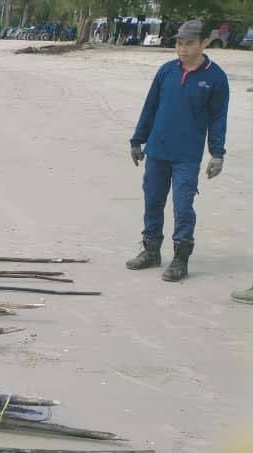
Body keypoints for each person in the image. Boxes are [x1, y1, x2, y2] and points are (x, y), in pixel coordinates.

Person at [126, 20, 230, 282]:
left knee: (183, 206)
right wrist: (137, 140)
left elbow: (218, 119)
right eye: (179, 43)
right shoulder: (166, 71)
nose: (182, 49)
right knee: (153, 201)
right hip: (157, 150)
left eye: (189, 44)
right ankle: (151, 251)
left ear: (204, 43)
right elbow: (150, 107)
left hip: (187, 156)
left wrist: (217, 154)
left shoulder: (215, 77)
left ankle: (180, 257)